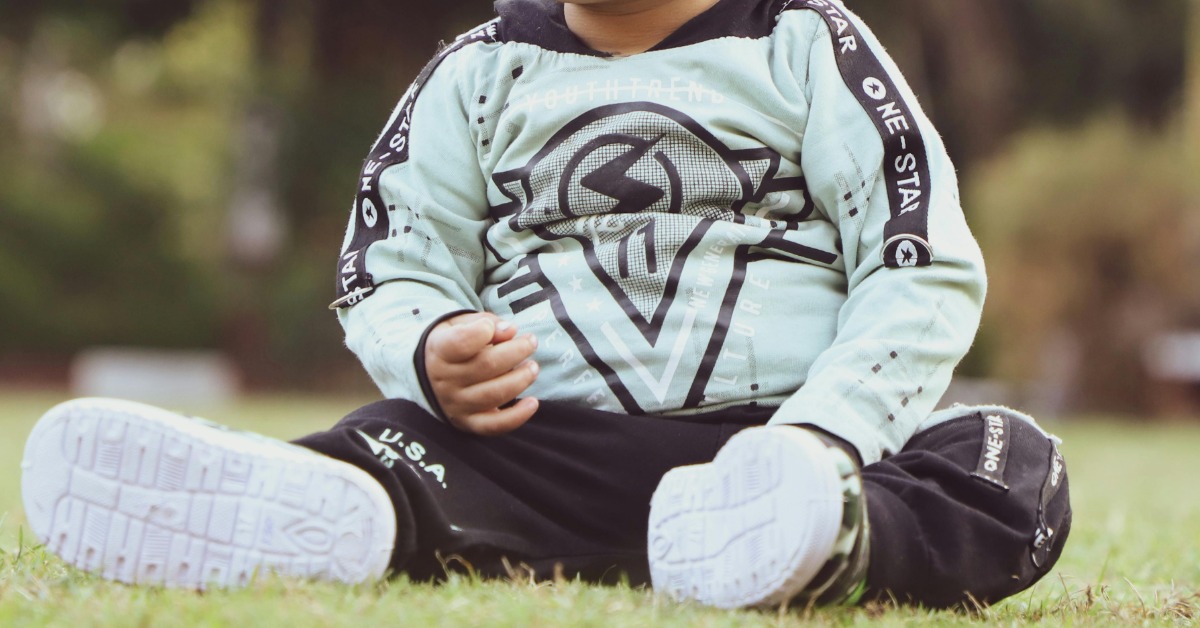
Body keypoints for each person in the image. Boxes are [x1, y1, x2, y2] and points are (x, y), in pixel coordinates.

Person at [21, 0, 1071, 609]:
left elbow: (916, 256)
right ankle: (338, 506)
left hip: (783, 448)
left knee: (1008, 464)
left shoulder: (809, 43)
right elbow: (389, 256)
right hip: (540, 449)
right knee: (391, 438)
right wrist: (430, 345)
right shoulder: (477, 74)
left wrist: (827, 432)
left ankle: (826, 535)